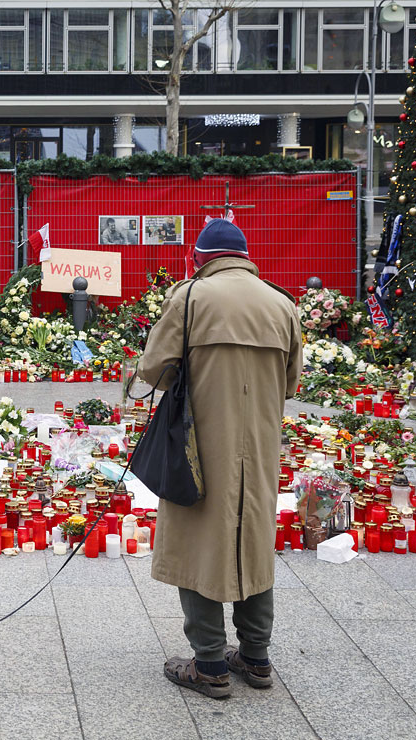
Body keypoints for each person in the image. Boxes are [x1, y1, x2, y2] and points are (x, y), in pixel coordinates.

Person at [135, 218, 302, 700]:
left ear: (199, 257)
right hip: (261, 451)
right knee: (253, 542)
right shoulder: (281, 303)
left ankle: (208, 662)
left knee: (198, 543)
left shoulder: (190, 297)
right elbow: (291, 383)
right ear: (245, 257)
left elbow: (155, 370)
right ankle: (256, 656)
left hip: (201, 446)